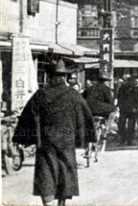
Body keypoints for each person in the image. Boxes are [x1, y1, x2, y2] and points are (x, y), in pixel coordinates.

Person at [13, 60, 95, 206]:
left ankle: (47, 202)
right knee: (65, 170)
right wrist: (84, 137)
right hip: (66, 139)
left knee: (46, 171)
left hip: (46, 139)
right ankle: (61, 203)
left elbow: (28, 116)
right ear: (64, 77)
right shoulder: (73, 95)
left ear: (49, 77)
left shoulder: (41, 94)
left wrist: (23, 138)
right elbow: (84, 116)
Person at [117, 76, 138, 146]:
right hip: (131, 109)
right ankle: (129, 141)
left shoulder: (122, 88)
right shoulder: (134, 88)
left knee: (122, 125)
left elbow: (119, 98)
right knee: (130, 126)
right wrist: (137, 106)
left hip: (124, 109)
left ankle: (122, 140)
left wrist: (119, 106)